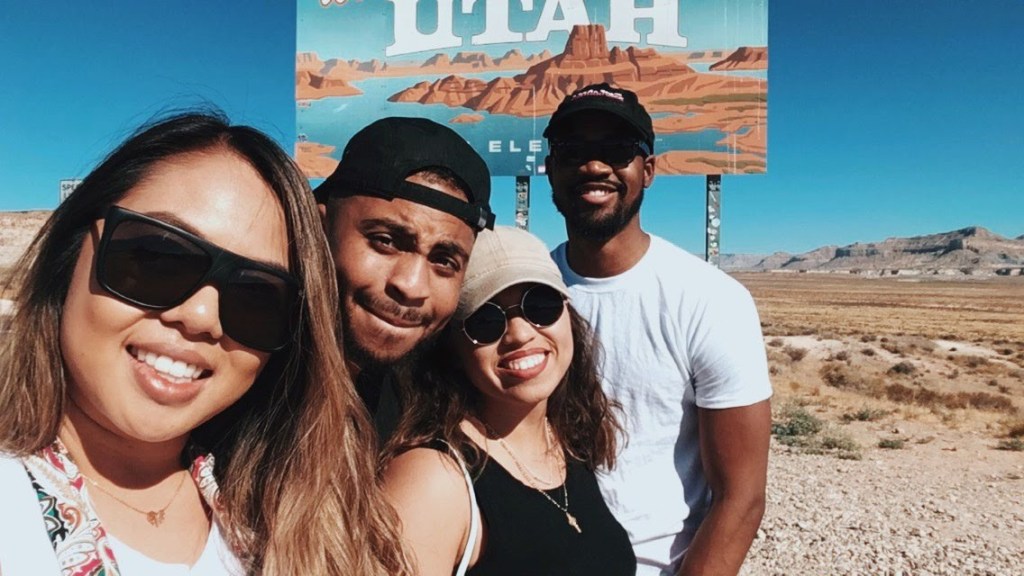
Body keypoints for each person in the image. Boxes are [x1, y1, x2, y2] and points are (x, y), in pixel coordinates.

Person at [0, 112, 409, 575]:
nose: (200, 317)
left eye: (257, 296)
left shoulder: (300, 531)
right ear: (70, 253)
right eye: (156, 257)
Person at [543, 83, 773, 576]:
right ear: (551, 169)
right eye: (573, 151)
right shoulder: (524, 292)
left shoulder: (710, 299)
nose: (594, 165)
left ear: (647, 170)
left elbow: (741, 495)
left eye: (617, 150)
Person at [380, 226, 636, 576]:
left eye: (541, 305)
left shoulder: (566, 441)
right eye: (485, 321)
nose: (520, 334)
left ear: (568, 314)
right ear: (452, 349)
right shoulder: (434, 481)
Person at [314, 117, 494, 440]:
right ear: (320, 228)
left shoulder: (425, 411)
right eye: (385, 241)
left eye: (444, 261)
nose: (411, 286)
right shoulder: (237, 378)